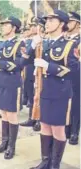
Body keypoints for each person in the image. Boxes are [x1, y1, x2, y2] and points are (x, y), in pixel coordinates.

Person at [30, 10, 79, 169]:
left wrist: (48, 67)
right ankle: (45, 161)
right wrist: (32, 46)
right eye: (47, 20)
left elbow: (75, 71)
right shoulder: (43, 43)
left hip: (60, 92)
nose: (47, 23)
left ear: (62, 24)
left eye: (52, 20)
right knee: (44, 126)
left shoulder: (70, 45)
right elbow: (28, 60)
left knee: (58, 129)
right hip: (44, 90)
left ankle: (54, 164)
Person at [0, 16, 25, 160]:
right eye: (2, 25)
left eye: (6, 25)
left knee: (12, 115)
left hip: (12, 82)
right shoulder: (2, 44)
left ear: (14, 28)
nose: (3, 27)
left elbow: (19, 64)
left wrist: (0, 63)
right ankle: (4, 142)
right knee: (3, 112)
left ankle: (12, 146)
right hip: (1, 81)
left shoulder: (20, 43)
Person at [65, 11, 80, 145]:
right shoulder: (64, 39)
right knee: (65, 104)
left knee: (75, 104)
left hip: (76, 77)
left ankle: (74, 131)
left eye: (70, 21)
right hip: (64, 78)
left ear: (77, 24)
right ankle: (67, 128)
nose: (67, 24)